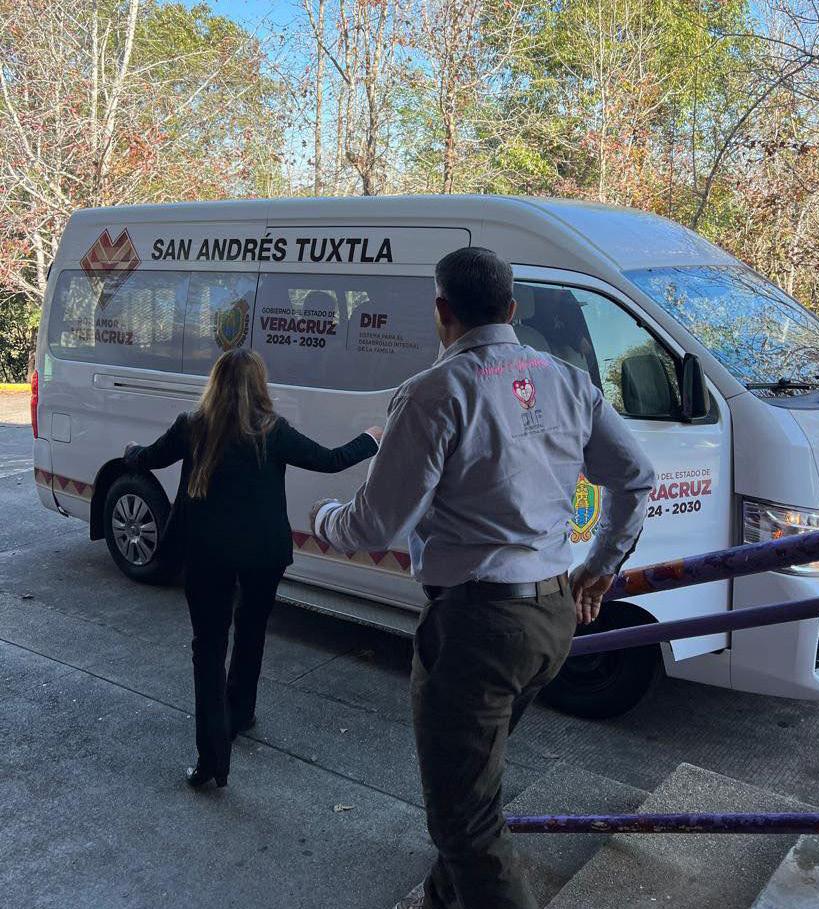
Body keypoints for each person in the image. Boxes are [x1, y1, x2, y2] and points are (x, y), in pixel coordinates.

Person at [311, 248, 655, 909]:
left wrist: (323, 518)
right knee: (472, 782)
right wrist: (599, 567)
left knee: (461, 820)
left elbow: (375, 524)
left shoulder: (433, 392)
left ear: (441, 310)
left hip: (476, 629)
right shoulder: (567, 380)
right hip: (553, 617)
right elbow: (635, 476)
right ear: (512, 308)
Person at [124, 348, 381, 790]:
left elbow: (149, 457)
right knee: (252, 630)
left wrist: (130, 452)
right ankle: (240, 711)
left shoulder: (192, 426)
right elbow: (330, 460)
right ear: (260, 386)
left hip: (206, 555)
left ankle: (212, 760)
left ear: (215, 383)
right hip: (265, 555)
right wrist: (370, 439)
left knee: (208, 649)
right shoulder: (273, 431)